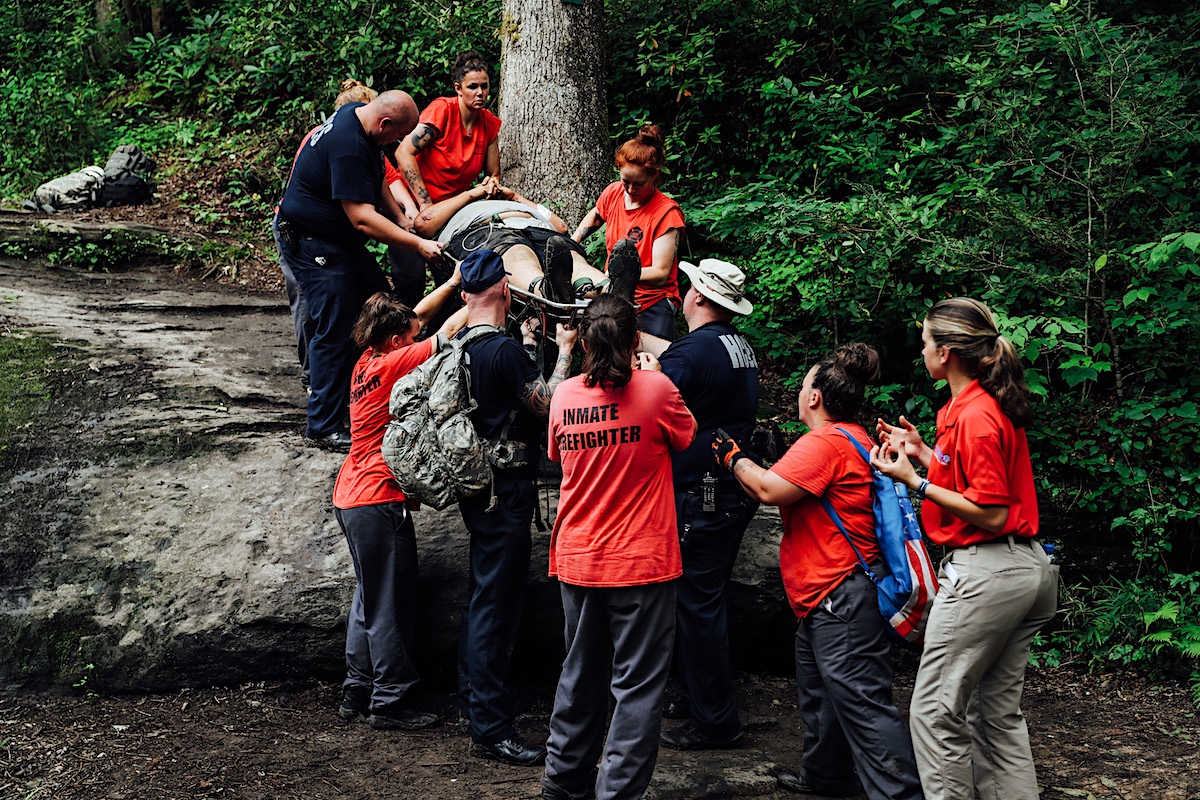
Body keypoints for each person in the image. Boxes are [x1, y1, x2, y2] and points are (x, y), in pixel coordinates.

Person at [714, 344, 923, 800]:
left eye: (806, 383)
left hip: (842, 597)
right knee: (822, 699)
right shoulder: (855, 437)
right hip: (826, 598)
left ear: (815, 398)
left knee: (864, 705)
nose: (801, 389)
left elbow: (769, 489)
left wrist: (733, 458)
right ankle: (827, 782)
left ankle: (901, 794)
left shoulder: (825, 443)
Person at [872, 297, 1058, 800]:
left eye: (927, 343)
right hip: (1027, 570)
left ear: (948, 352)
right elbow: (977, 483)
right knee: (995, 715)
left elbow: (992, 512)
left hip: (989, 573)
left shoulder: (975, 415)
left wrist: (914, 482)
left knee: (934, 711)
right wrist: (926, 456)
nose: (922, 352)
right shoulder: (974, 405)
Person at [542, 294, 697, 800]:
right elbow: (685, 437)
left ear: (583, 341)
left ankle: (562, 782)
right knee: (637, 687)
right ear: (635, 339)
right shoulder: (656, 389)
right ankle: (618, 793)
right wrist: (649, 372)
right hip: (642, 562)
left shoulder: (564, 395)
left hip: (579, 557)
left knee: (579, 674)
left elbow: (555, 453)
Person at [454, 250, 578, 766]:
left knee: (482, 595)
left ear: (465, 295)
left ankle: (472, 702)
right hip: (505, 492)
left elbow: (504, 389)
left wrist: (527, 342)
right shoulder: (502, 352)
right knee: (496, 606)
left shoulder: (463, 343)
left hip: (477, 485)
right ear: (506, 289)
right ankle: (491, 726)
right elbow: (546, 406)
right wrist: (565, 352)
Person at [332, 270, 463, 730]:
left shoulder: (367, 360)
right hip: (376, 496)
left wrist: (451, 282)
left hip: (350, 494)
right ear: (394, 342)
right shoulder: (394, 364)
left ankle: (357, 688)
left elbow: (418, 319)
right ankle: (391, 699)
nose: (415, 336)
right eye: (408, 337)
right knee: (388, 601)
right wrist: (480, 298)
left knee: (367, 596)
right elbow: (446, 332)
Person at [637, 259, 760, 752]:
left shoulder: (693, 352)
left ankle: (715, 720)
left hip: (705, 492)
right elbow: (684, 362)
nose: (683, 296)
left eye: (688, 289)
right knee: (704, 598)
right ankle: (695, 695)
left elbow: (652, 394)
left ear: (699, 298)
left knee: (697, 601)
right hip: (728, 483)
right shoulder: (734, 345)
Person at [276, 90, 443, 450]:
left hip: (338, 239)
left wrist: (401, 219)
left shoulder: (359, 116)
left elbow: (379, 178)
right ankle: (323, 423)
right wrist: (417, 244)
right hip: (309, 239)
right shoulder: (347, 143)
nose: (397, 142)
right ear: (385, 123)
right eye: (396, 135)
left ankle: (368, 394)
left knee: (377, 307)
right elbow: (363, 220)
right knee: (335, 323)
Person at [274, 78, 379, 396]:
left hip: (320, 232)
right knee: (308, 301)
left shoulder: (361, 143)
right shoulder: (330, 139)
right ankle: (312, 378)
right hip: (294, 229)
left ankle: (341, 374)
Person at [412, 181, 639, 307]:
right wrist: (473, 194)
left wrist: (514, 197)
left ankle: (610, 289)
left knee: (566, 252)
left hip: (536, 228)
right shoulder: (464, 206)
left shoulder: (519, 203)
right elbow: (423, 223)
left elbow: (560, 227)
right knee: (516, 252)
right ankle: (545, 290)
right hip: (488, 230)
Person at [573, 124, 684, 340]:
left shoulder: (667, 213)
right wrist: (574, 241)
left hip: (652, 301)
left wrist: (618, 275)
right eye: (626, 182)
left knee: (650, 362)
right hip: (612, 295)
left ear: (655, 177)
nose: (631, 190)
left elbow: (661, 273)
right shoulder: (614, 192)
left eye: (639, 184)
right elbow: (596, 215)